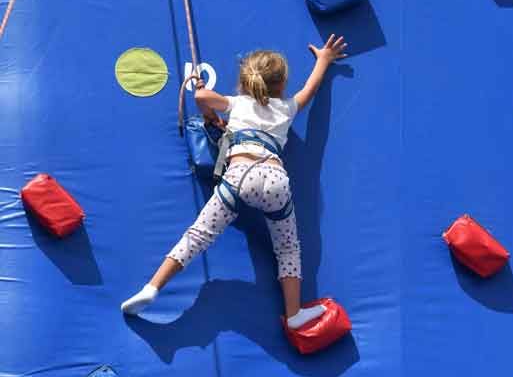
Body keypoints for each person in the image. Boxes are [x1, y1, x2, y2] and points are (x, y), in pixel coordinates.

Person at [121, 35, 347, 327]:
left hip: (240, 176)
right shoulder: (287, 108)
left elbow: (201, 98)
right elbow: (310, 89)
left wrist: (211, 112)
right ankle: (293, 313)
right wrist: (324, 60)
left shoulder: (238, 103)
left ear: (245, 84)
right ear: (280, 86)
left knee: (199, 235)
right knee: (288, 248)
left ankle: (152, 288)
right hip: (275, 179)